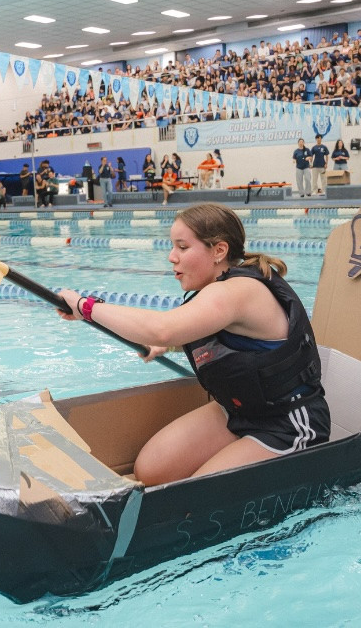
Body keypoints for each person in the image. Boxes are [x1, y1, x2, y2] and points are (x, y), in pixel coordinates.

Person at [55, 203, 330, 486]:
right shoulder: (216, 288)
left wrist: (84, 306)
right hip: (237, 409)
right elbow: (218, 336)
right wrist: (168, 347)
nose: (171, 257)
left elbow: (163, 329)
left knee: (197, 494)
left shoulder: (236, 292)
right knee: (151, 471)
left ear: (219, 251)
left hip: (287, 422)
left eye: (183, 247)